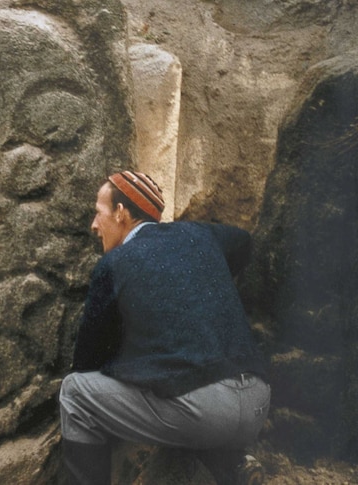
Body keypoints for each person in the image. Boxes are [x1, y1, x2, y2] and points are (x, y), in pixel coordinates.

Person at [60, 170, 270, 485]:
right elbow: (244, 241)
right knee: (178, 389)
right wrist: (202, 281)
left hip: (204, 413)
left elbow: (87, 362)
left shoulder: (114, 264)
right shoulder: (199, 234)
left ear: (120, 213)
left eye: (98, 213)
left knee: (75, 392)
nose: (93, 225)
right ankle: (233, 464)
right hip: (257, 402)